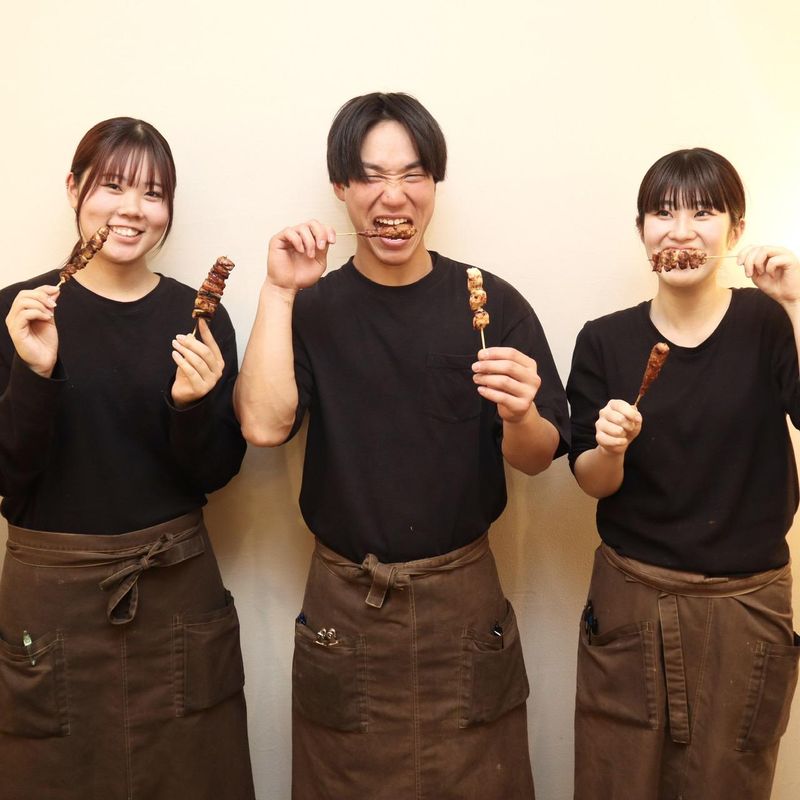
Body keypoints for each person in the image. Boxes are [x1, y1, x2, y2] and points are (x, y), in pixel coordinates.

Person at [235, 92, 569, 799]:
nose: (395, 196)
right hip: (345, 609)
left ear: (435, 183)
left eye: (414, 174)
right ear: (341, 188)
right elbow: (262, 426)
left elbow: (539, 456)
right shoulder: (313, 307)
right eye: (371, 176)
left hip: (464, 606)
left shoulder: (491, 302)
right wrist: (278, 292)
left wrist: (519, 413)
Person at [0, 117, 254, 799]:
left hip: (176, 593)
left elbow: (217, 475)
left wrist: (192, 407)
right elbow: (8, 476)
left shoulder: (198, 318)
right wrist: (34, 374)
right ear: (74, 188)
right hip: (51, 603)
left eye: (153, 193)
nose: (133, 209)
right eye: (113, 186)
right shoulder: (18, 314)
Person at [567, 147, 800, 800]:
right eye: (663, 213)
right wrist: (610, 448)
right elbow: (591, 480)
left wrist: (796, 302)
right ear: (642, 230)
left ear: (736, 229)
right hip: (632, 599)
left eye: (704, 212)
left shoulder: (768, 322)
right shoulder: (603, 340)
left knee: (728, 784)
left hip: (746, 604)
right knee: (615, 782)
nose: (681, 231)